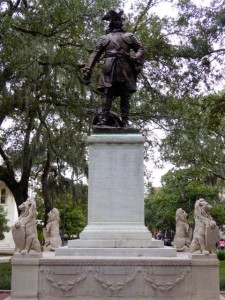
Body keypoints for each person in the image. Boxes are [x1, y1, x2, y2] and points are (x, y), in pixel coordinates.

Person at [83, 10, 145, 127]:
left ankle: (125, 121)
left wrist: (135, 57)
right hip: (109, 67)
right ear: (111, 22)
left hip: (125, 68)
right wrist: (88, 69)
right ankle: (103, 119)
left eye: (119, 19)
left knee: (125, 95)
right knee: (107, 94)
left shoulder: (129, 36)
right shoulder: (105, 38)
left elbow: (140, 49)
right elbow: (95, 54)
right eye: (115, 19)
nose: (118, 21)